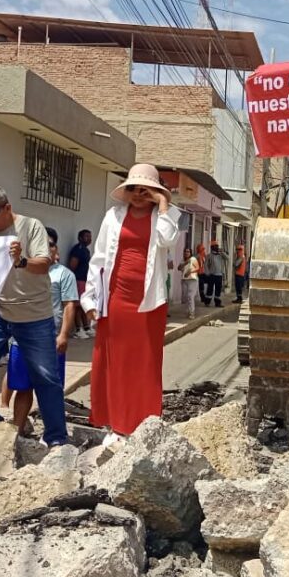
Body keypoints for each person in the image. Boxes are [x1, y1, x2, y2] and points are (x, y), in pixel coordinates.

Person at [83, 164, 181, 443]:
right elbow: (98, 258)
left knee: (145, 364)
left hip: (150, 301)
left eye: (145, 190)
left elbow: (167, 239)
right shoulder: (113, 216)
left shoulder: (166, 216)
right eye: (133, 189)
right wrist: (90, 297)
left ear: (155, 192)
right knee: (113, 361)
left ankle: (143, 424)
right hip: (116, 298)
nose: (138, 194)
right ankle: (115, 424)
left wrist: (163, 203)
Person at [0, 187, 66, 446]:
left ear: (7, 208)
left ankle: (56, 437)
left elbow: (44, 264)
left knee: (45, 377)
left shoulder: (31, 227)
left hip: (34, 316)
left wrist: (20, 260)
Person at [4, 226, 78, 439]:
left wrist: (63, 335)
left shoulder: (64, 275)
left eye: (50, 244)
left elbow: (69, 305)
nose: (46, 248)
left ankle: (53, 437)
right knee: (22, 387)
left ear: (55, 249)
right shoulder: (20, 270)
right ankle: (17, 433)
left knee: (50, 390)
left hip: (50, 341)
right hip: (20, 339)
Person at [68, 229, 93, 339]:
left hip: (85, 281)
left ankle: (86, 327)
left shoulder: (86, 250)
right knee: (77, 306)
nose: (89, 239)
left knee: (84, 305)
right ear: (80, 238)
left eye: (90, 236)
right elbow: (72, 266)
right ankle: (78, 330)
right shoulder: (77, 250)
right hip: (78, 281)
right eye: (86, 236)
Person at [178, 247, 199, 319]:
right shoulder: (183, 260)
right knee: (185, 297)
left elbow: (197, 268)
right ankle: (188, 311)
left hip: (192, 280)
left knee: (190, 296)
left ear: (190, 253)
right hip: (184, 280)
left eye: (188, 252)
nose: (186, 253)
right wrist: (185, 263)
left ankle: (192, 312)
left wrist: (190, 272)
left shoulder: (193, 259)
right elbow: (179, 268)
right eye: (185, 252)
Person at [203, 241, 226, 307]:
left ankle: (217, 303)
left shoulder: (221, 255)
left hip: (219, 275)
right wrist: (207, 273)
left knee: (218, 289)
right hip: (212, 275)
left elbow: (228, 258)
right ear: (212, 247)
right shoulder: (209, 256)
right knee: (210, 289)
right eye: (215, 246)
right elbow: (206, 265)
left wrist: (222, 252)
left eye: (217, 246)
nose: (217, 247)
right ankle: (207, 302)